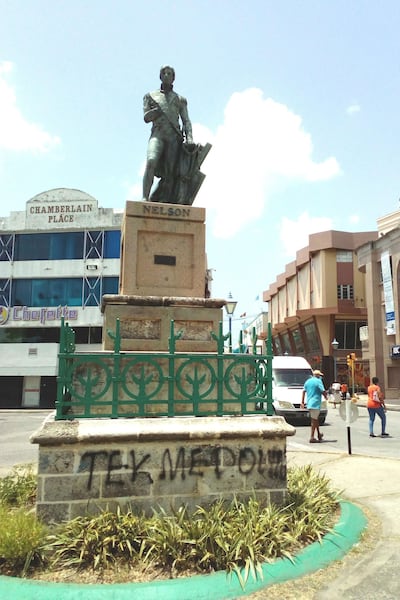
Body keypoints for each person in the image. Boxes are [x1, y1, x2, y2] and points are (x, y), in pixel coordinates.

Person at [142, 65, 193, 203]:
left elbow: (186, 121)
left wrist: (189, 138)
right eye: (164, 73)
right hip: (158, 134)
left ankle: (164, 201)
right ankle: (145, 197)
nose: (166, 75)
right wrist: (156, 112)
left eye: (169, 73)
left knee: (169, 173)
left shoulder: (180, 100)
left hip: (173, 138)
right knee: (151, 161)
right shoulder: (150, 96)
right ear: (160, 76)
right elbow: (146, 118)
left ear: (173, 78)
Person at [301, 369, 328, 443]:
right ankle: (312, 437)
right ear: (318, 376)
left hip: (309, 403)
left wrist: (302, 402)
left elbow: (303, 391)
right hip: (315, 403)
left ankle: (319, 434)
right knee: (314, 420)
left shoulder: (308, 381)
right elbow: (323, 390)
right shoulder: (318, 381)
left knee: (315, 419)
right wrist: (326, 397)